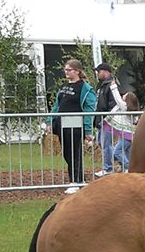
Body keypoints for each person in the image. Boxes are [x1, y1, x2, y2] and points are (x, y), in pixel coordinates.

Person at [50, 58, 97, 193]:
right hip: (62, 124)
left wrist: (88, 129)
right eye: (65, 70)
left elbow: (89, 109)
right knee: (67, 153)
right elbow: (56, 105)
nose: (66, 72)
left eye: (68, 70)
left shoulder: (85, 88)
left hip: (76, 125)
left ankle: (76, 181)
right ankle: (78, 179)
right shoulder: (63, 86)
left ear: (77, 71)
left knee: (75, 153)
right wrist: (50, 120)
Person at [94, 62, 121, 177]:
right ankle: (121, 160)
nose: (97, 73)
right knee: (100, 142)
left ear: (105, 71)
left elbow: (114, 103)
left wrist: (108, 118)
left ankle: (108, 168)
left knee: (106, 144)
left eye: (98, 71)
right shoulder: (101, 85)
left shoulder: (111, 85)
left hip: (107, 119)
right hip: (101, 118)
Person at [108, 90, 138, 171]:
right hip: (129, 134)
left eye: (125, 95)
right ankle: (128, 168)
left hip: (125, 135)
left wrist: (113, 87)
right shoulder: (134, 111)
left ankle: (128, 167)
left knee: (117, 152)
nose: (123, 95)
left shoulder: (125, 107)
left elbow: (118, 99)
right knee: (128, 152)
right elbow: (135, 122)